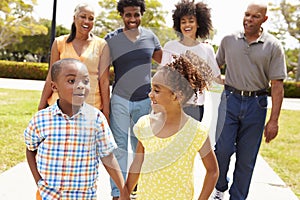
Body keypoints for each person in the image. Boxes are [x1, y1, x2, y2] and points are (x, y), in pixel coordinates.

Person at [212, 2, 287, 200]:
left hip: (257, 105)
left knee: (246, 159)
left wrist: (274, 120)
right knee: (222, 149)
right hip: (229, 101)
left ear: (264, 19)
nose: (249, 19)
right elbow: (213, 66)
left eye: (255, 16)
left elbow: (277, 86)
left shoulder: (273, 46)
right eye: (247, 15)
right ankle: (220, 186)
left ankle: (238, 198)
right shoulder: (229, 40)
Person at [24, 58, 128, 200]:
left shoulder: (96, 119)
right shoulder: (42, 119)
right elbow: (30, 149)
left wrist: (123, 190)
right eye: (72, 81)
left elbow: (108, 156)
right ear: (54, 87)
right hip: (48, 195)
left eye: (85, 81)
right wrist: (39, 182)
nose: (81, 86)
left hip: (84, 196)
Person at [124, 55, 219, 200]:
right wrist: (125, 193)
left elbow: (212, 171)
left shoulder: (196, 132)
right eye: (151, 89)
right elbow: (138, 162)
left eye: (157, 90)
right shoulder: (145, 125)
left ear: (176, 96)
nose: (150, 94)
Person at [104, 0, 162, 199]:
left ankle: (136, 188)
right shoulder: (111, 39)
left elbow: (167, 61)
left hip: (145, 101)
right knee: (118, 148)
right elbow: (102, 74)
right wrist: (106, 105)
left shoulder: (150, 37)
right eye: (128, 15)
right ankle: (117, 192)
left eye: (136, 14)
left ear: (141, 14)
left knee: (141, 147)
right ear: (121, 15)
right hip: (120, 100)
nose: (132, 19)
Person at [38, 3, 111, 121]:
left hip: (91, 106)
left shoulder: (102, 45)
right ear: (74, 18)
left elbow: (104, 81)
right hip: (60, 106)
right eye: (83, 16)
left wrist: (106, 113)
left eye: (91, 19)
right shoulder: (59, 42)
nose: (87, 21)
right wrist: (41, 106)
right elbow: (51, 76)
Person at [162, 0, 222, 122]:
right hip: (173, 104)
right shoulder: (170, 46)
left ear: (198, 23)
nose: (187, 25)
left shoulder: (207, 49)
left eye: (191, 21)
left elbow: (216, 79)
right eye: (183, 22)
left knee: (192, 140)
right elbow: (162, 77)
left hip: (196, 106)